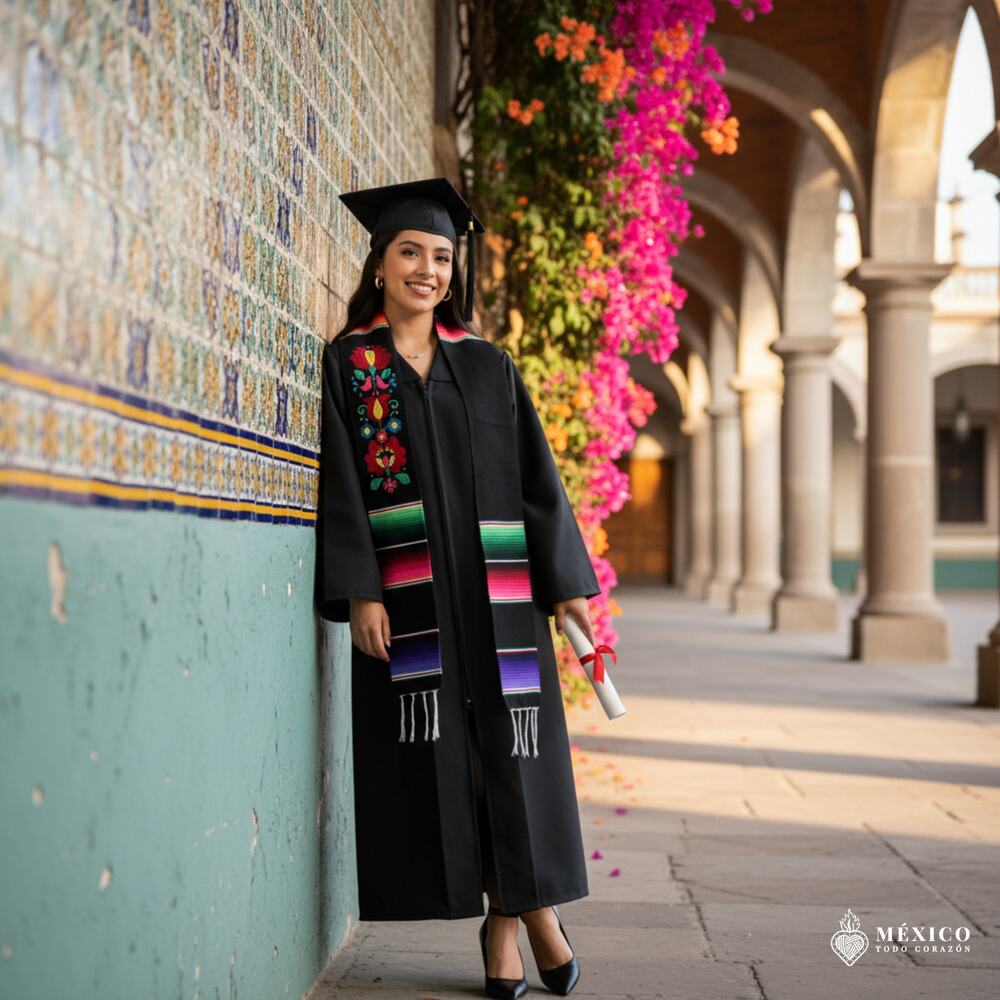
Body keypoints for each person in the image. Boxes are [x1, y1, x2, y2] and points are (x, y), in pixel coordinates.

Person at [314, 177, 600, 999]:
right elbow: (342, 492)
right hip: (412, 601)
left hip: (499, 598)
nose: (427, 270)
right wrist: (363, 591)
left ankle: (514, 917)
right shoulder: (354, 368)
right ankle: (524, 911)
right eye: (411, 252)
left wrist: (567, 586)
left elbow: (537, 485)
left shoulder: (486, 366)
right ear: (379, 265)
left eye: (441, 257)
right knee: (453, 757)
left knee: (512, 750)